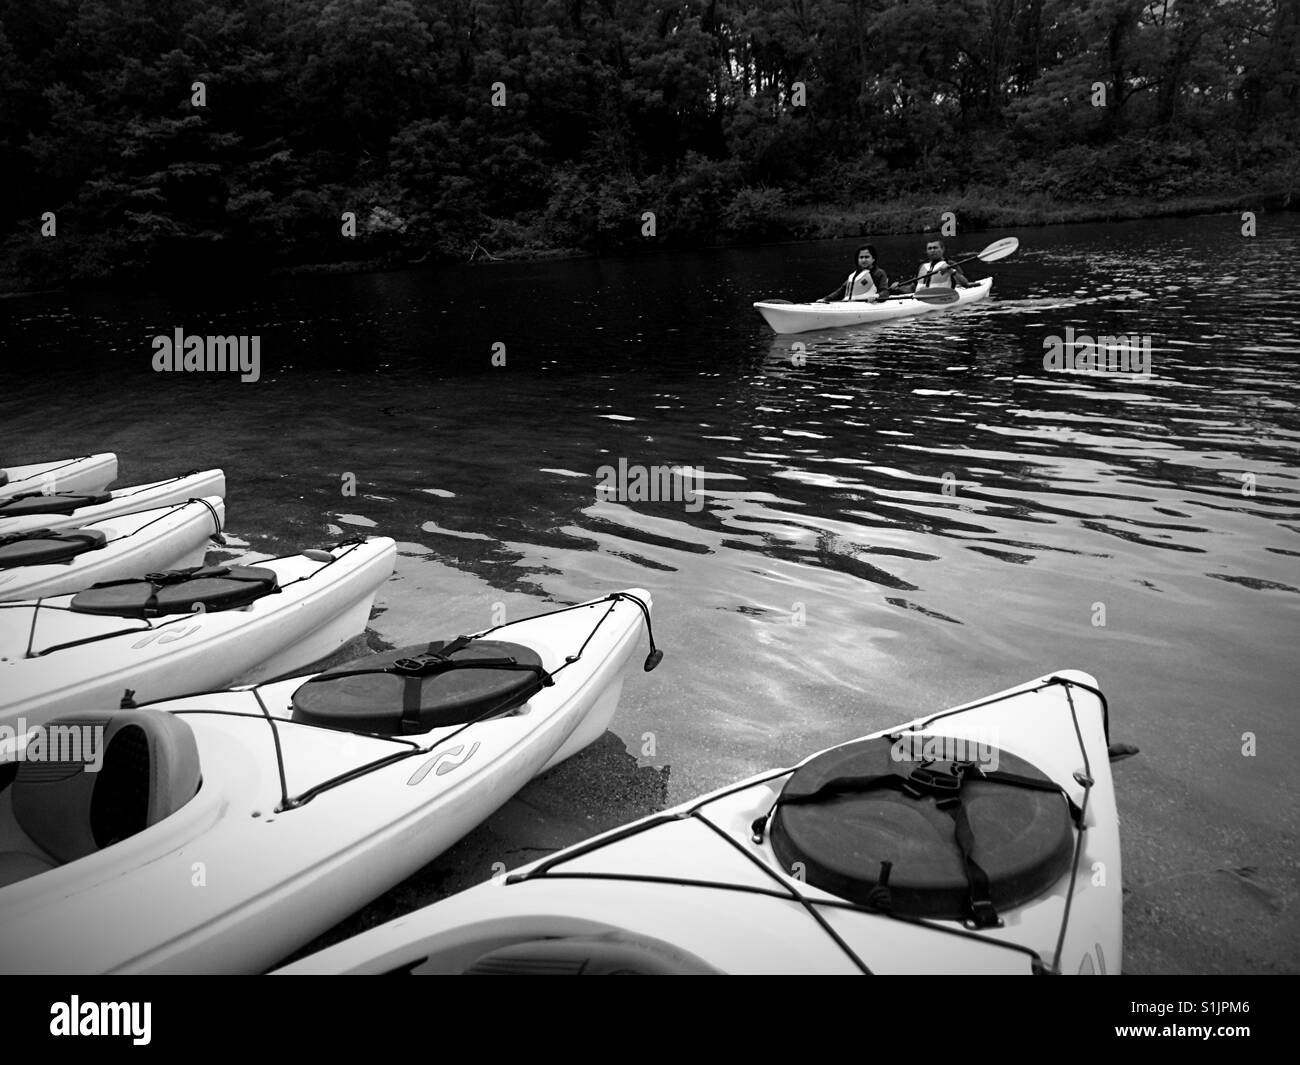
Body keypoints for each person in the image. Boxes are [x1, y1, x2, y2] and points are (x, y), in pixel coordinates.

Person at [817, 245, 890, 303]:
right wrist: (826, 299)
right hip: (851, 304)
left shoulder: (879, 273)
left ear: (873, 259)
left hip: (869, 304)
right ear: (858, 260)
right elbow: (841, 291)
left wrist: (876, 296)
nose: (863, 260)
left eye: (867, 257)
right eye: (861, 257)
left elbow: (885, 292)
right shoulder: (855, 275)